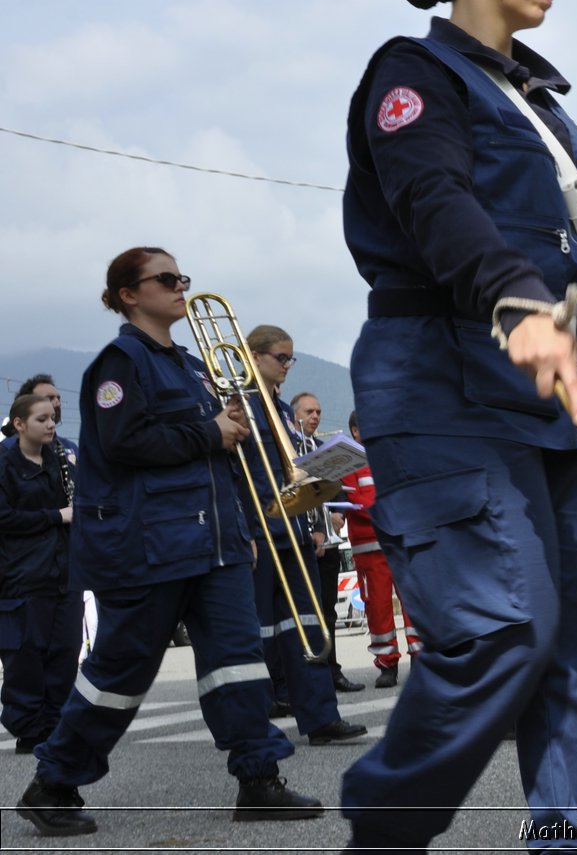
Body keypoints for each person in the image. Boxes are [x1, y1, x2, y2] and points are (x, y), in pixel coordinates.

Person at [339, 0, 577, 848]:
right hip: (444, 373)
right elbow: (434, 199)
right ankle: (387, 829)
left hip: (569, 384)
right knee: (503, 628)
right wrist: (516, 298)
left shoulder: (540, 99)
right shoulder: (413, 76)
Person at [14, 247, 319, 837]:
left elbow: (216, 460)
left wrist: (239, 525)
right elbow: (125, 441)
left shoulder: (187, 362)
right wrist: (210, 430)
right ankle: (52, 780)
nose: (181, 286)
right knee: (119, 671)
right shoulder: (118, 362)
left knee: (238, 661)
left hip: (214, 542)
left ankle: (258, 778)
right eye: (166, 279)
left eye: (183, 277)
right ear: (130, 294)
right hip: (151, 543)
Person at [239, 327, 367, 747]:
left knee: (308, 626)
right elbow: (237, 475)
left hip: (292, 528)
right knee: (260, 633)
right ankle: (257, 724)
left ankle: (321, 716)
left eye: (291, 359)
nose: (287, 366)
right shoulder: (241, 405)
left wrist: (313, 521)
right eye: (281, 358)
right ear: (254, 356)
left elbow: (296, 474)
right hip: (261, 528)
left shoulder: (279, 411)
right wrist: (246, 530)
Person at [0, 394, 82, 754]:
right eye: (41, 419)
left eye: (52, 418)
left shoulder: (60, 458)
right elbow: (4, 519)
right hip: (23, 574)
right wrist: (55, 516)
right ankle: (29, 729)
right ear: (19, 424)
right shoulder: (4, 462)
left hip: (65, 571)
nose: (51, 425)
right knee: (26, 655)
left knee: (66, 649)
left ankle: (56, 723)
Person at [339, 411, 421, 690]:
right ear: (355, 432)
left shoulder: (393, 455)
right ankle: (388, 665)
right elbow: (354, 500)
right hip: (369, 548)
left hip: (401, 543)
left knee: (414, 603)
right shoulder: (348, 461)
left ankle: (422, 657)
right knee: (378, 608)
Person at [290, 391, 364, 695]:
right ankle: (304, 678)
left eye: (318, 411)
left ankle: (332, 671)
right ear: (294, 415)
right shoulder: (290, 450)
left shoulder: (322, 450)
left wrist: (336, 514)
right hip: (301, 540)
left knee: (329, 611)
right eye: (309, 411)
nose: (315, 416)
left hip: (329, 545)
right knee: (303, 613)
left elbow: (339, 490)